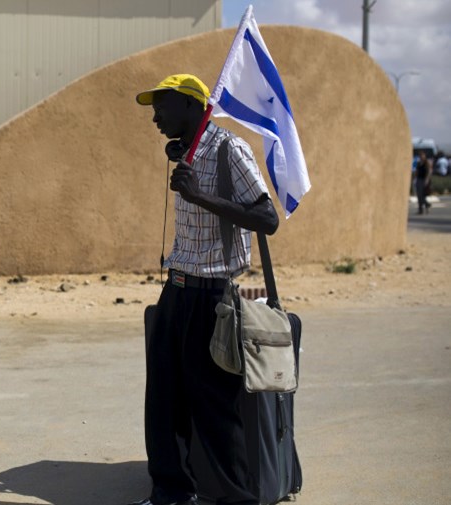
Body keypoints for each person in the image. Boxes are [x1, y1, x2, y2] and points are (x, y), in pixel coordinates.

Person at [130, 74, 280, 505]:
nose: (156, 117)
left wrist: (200, 197)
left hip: (212, 298)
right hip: (175, 291)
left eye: (163, 107)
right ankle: (172, 494)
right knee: (162, 403)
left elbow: (266, 218)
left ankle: (237, 499)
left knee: (213, 410)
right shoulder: (185, 152)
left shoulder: (230, 149)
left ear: (194, 106)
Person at [414, 150, 432, 214]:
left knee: (422, 195)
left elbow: (429, 172)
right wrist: (415, 178)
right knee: (419, 195)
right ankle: (421, 209)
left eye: (422, 155)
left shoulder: (427, 163)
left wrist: (426, 180)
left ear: (424, 156)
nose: (421, 156)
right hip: (419, 179)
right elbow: (417, 171)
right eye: (420, 155)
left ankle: (427, 204)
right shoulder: (419, 163)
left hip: (424, 180)